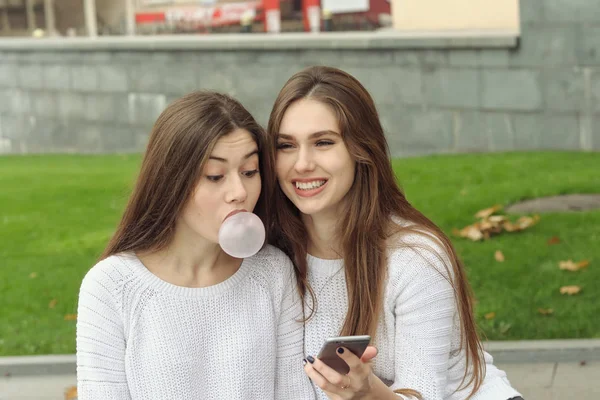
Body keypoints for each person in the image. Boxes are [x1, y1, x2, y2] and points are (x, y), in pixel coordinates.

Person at [267, 66, 523, 400]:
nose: (302, 164)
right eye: (286, 145)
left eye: (324, 142)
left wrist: (368, 392)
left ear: (362, 151)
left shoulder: (415, 257)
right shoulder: (272, 256)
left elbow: (424, 393)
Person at [76, 91, 314, 400]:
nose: (238, 192)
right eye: (215, 176)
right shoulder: (111, 285)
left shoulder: (272, 272)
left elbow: (294, 394)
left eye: (249, 172)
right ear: (171, 181)